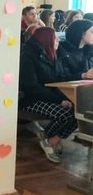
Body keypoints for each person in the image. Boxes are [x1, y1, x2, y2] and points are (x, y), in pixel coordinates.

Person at [19, 27, 80, 163]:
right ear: (46, 40)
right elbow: (31, 87)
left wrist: (80, 77)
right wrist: (59, 100)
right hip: (30, 99)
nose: (58, 41)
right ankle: (48, 139)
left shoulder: (52, 54)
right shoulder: (28, 55)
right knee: (65, 115)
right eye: (55, 38)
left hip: (48, 96)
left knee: (77, 113)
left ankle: (49, 140)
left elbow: (59, 78)